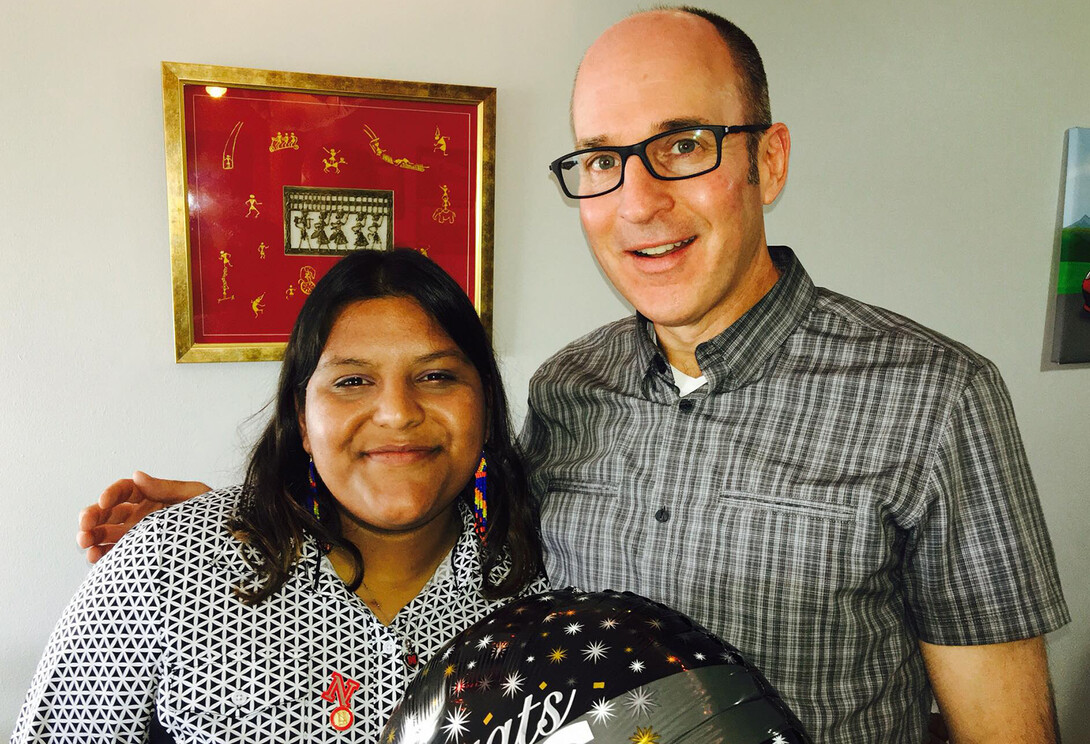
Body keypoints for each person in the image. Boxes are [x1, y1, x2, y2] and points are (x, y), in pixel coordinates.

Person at [77, 7, 1069, 743]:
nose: (637, 201)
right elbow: (440, 501)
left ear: (766, 161)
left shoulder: (935, 397)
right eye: (599, 160)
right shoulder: (565, 387)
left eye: (682, 145)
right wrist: (245, 514)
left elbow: (1005, 733)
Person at [18, 249, 546, 743]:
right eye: (353, 381)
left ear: (484, 402)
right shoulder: (166, 571)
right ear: (301, 414)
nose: (397, 412)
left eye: (436, 376)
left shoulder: (549, 580)